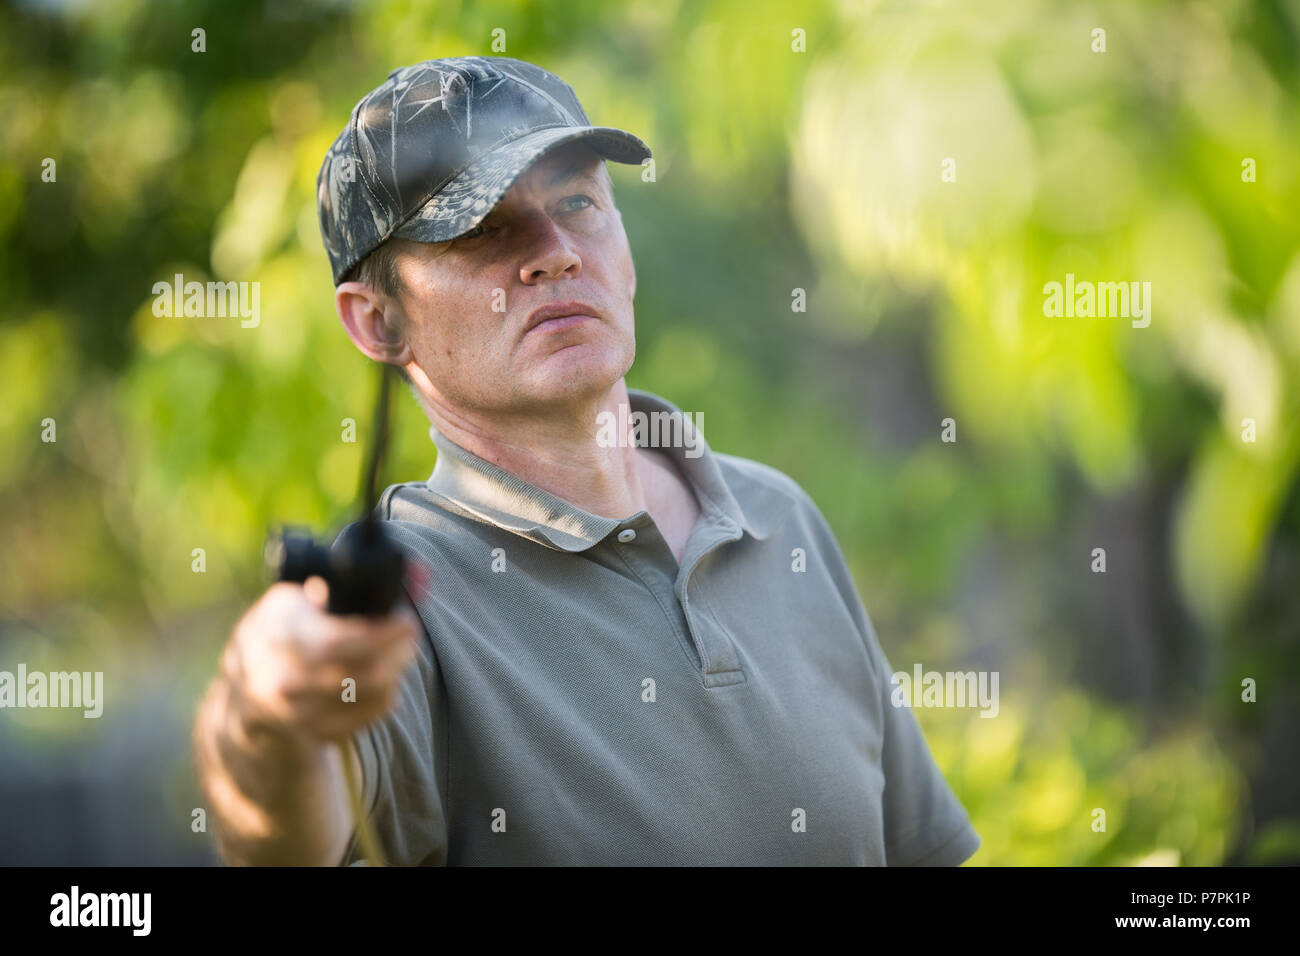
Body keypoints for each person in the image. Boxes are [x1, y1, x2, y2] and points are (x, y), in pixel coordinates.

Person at [192, 55, 981, 866]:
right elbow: (280, 839)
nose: (556, 252)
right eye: (482, 227)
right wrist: (265, 712)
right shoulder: (405, 614)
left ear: (626, 252)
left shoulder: (777, 516)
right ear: (378, 324)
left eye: (577, 201)